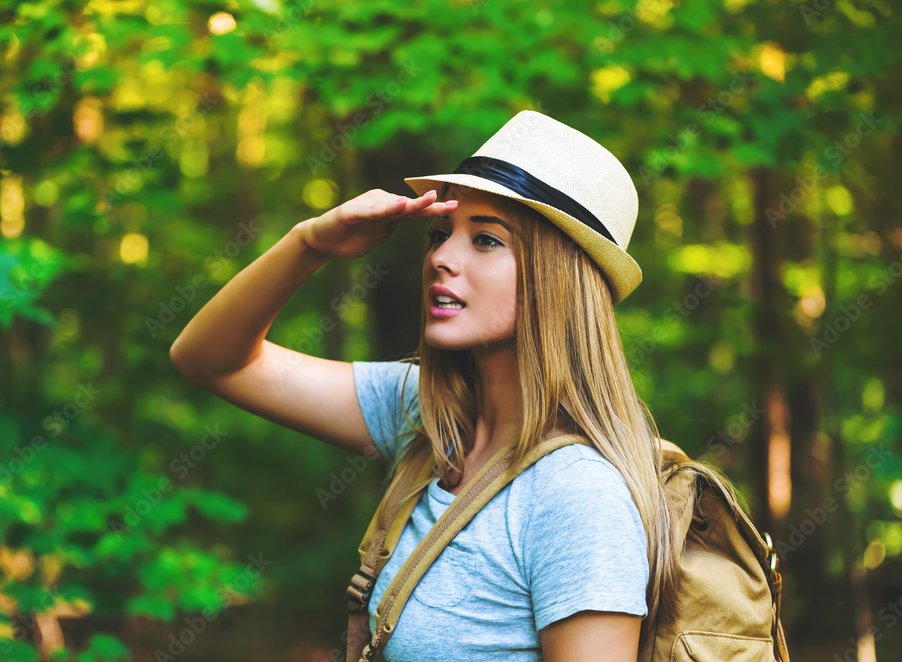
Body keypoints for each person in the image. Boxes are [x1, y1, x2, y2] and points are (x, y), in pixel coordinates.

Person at [169, 111, 685, 661]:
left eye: (485, 240)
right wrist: (310, 243)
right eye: (440, 234)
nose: (441, 257)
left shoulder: (576, 495)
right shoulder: (428, 418)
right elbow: (210, 360)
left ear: (558, 277)